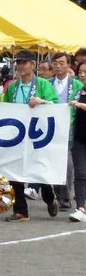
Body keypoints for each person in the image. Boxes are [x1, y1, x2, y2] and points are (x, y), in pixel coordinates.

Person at [3, 49, 59, 221]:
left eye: (23, 63)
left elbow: (56, 105)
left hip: (37, 135)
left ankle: (49, 197)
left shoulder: (43, 84)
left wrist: (42, 102)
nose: (20, 66)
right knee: (14, 171)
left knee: (38, 169)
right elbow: (4, 108)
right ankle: (21, 210)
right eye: (18, 63)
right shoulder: (12, 86)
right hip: (17, 135)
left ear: (33, 65)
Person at [52, 52, 83, 210]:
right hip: (50, 125)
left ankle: (65, 197)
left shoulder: (76, 84)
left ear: (68, 65)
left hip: (70, 125)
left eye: (62, 62)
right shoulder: (47, 83)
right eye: (55, 63)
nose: (58, 66)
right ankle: (55, 193)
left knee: (67, 160)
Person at [69, 63, 86, 222]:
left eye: (85, 72)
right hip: (79, 138)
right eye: (80, 72)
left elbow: (78, 106)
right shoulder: (78, 91)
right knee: (80, 173)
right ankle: (81, 207)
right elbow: (66, 107)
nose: (82, 75)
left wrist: (81, 105)